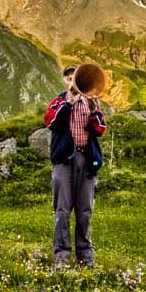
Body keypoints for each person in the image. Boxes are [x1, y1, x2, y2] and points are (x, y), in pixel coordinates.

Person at [43, 65, 107, 267]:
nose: (73, 83)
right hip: (64, 161)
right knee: (62, 209)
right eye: (70, 79)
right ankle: (61, 256)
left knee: (85, 209)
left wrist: (93, 110)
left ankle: (86, 256)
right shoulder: (58, 102)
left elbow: (100, 129)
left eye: (75, 78)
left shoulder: (90, 103)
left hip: (86, 161)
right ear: (65, 81)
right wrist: (69, 103)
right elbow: (52, 122)